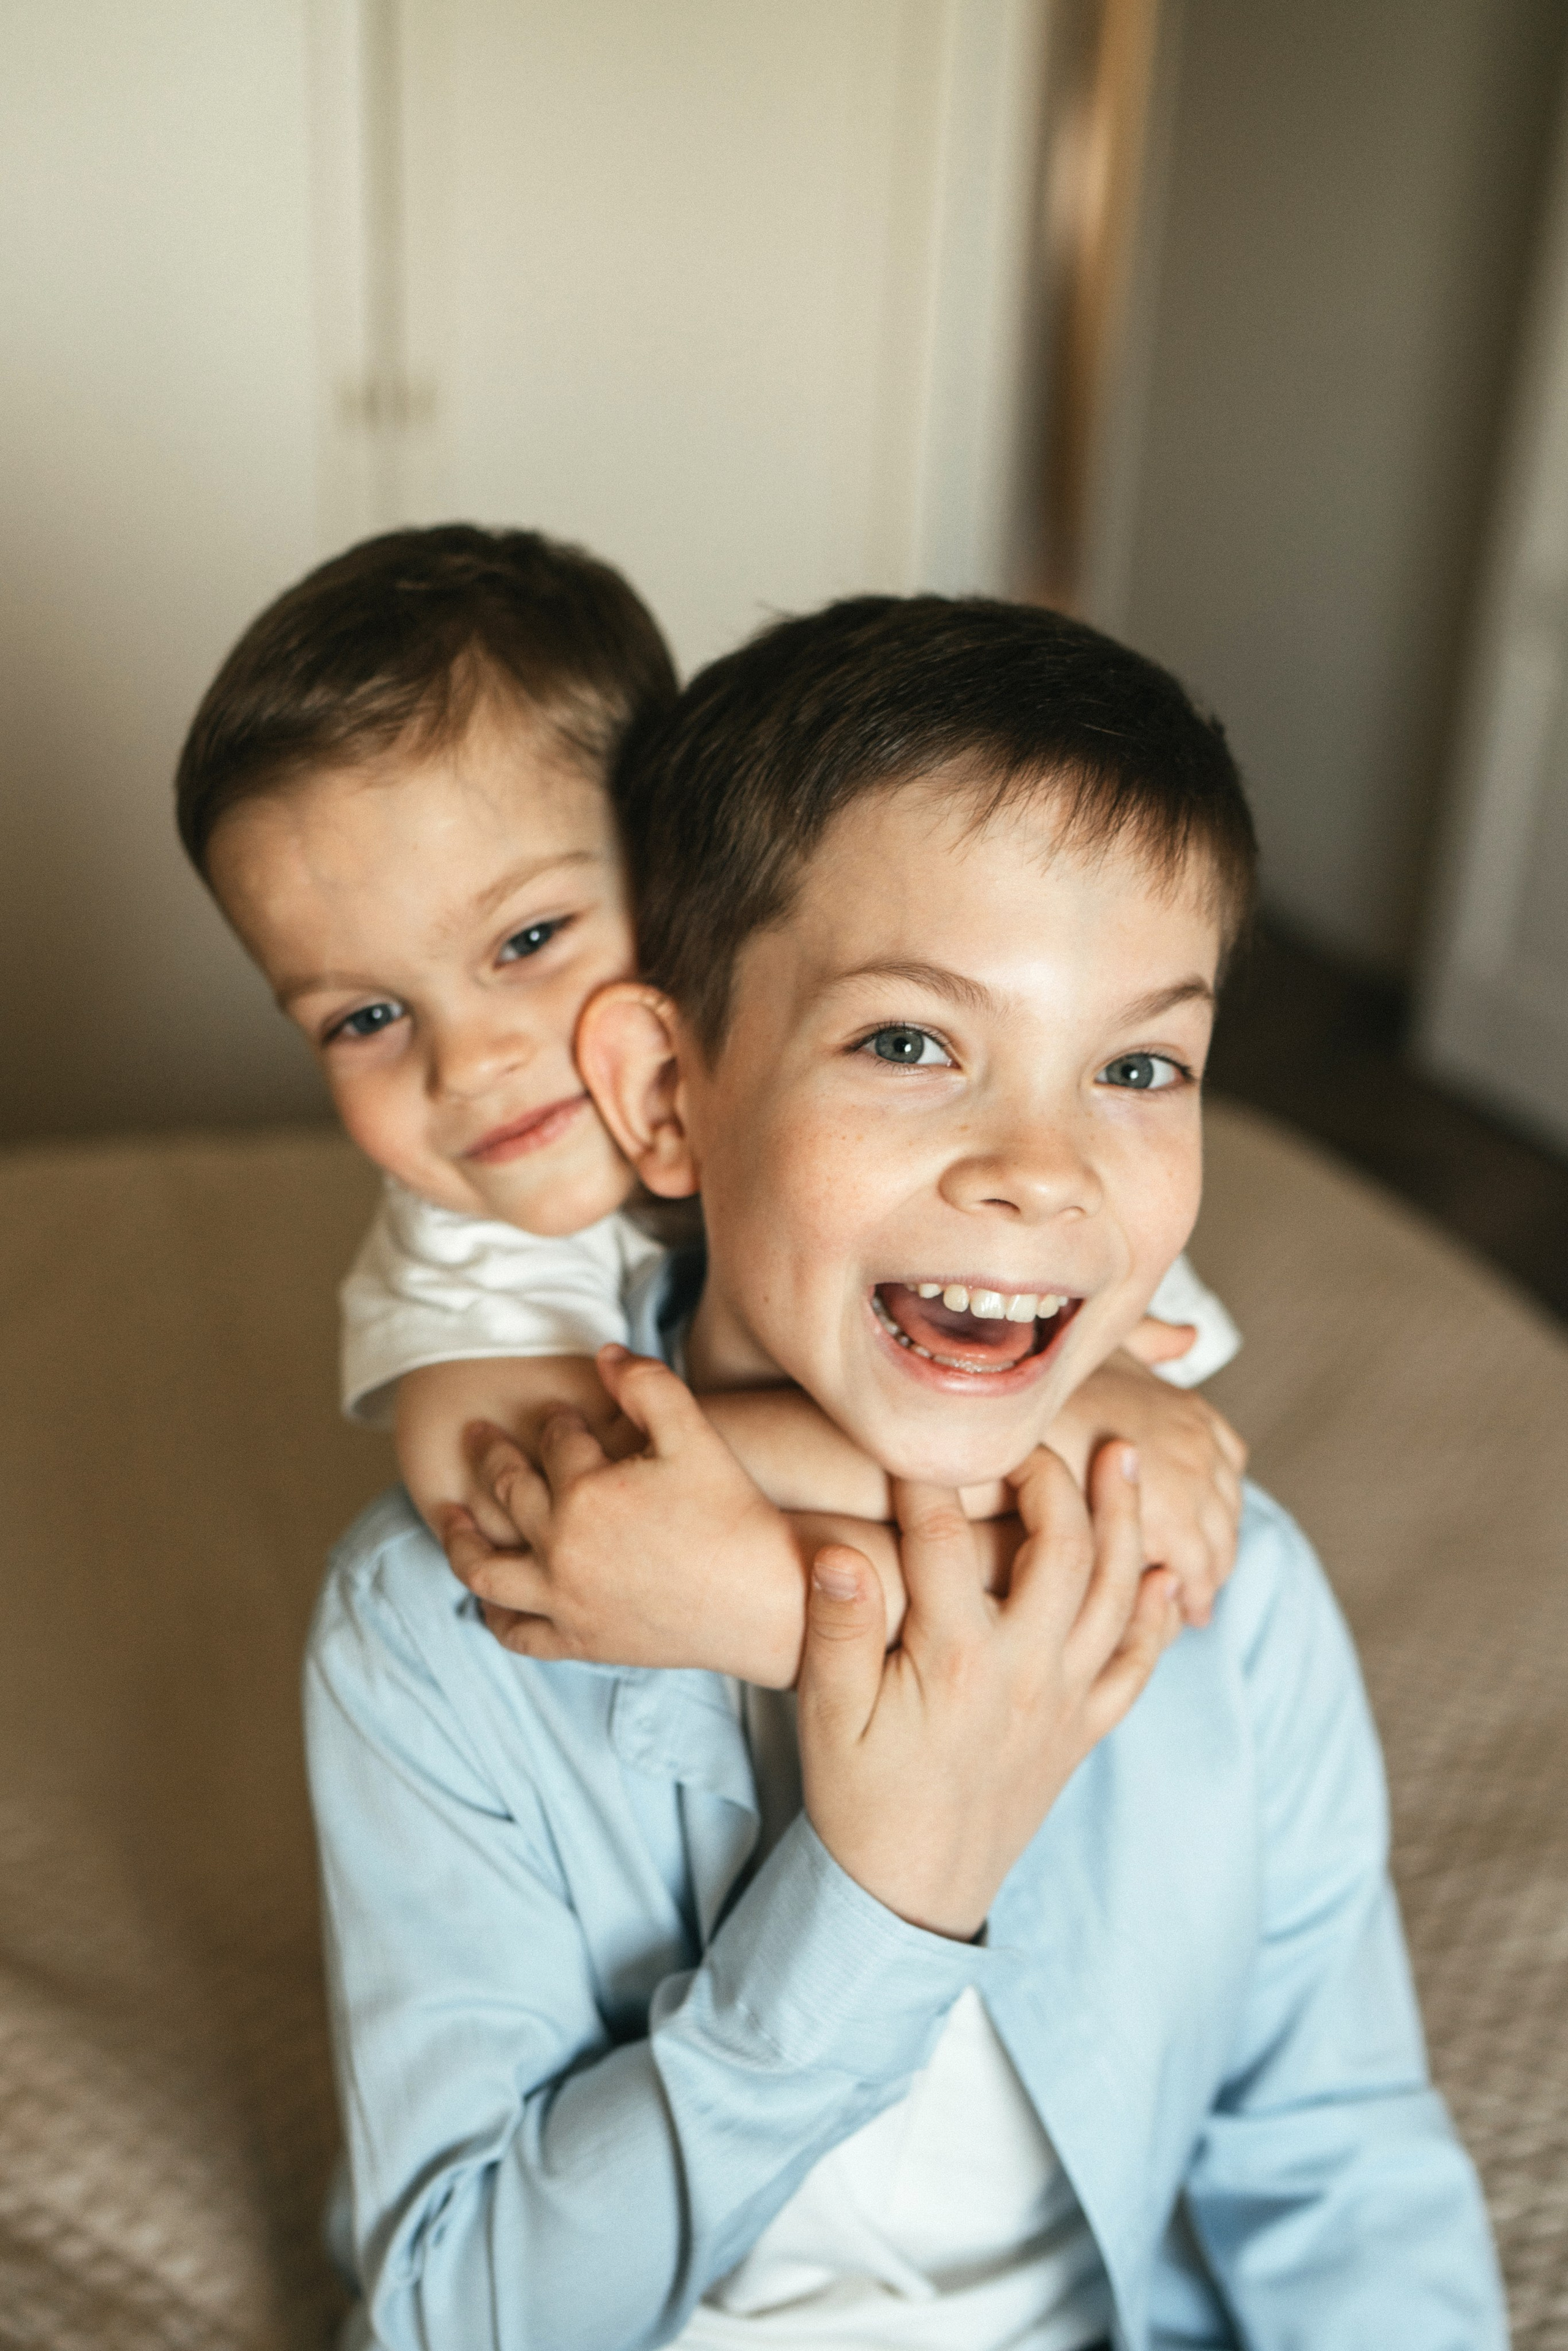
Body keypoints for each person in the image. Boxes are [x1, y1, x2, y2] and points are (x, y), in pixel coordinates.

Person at [300, 595, 1506, 2347]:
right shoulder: (434, 1633)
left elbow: (1335, 2145)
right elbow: (454, 2315)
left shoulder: (1233, 1596)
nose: (1042, 1166)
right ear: (665, 1092)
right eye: (910, 1040)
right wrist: (882, 1897)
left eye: (1142, 1064)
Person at [176, 525, 1247, 1683]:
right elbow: (546, 1491)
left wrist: (1104, 1388)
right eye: (363, 1018)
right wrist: (1055, 1440)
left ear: (676, 869)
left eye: (529, 940)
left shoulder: (1026, 1185)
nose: (473, 1062)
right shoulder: (464, 1224)